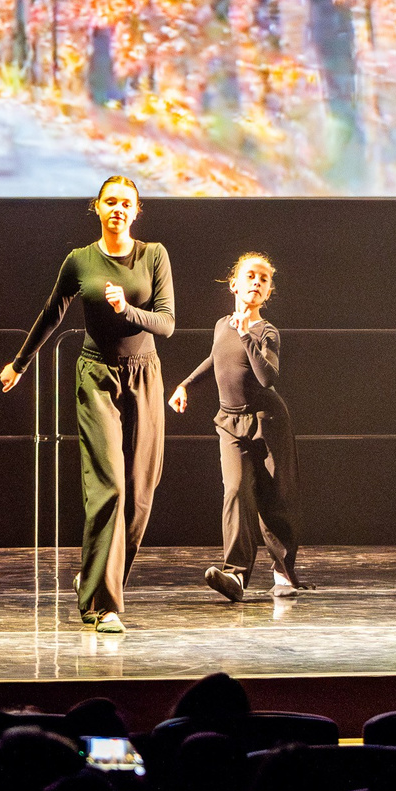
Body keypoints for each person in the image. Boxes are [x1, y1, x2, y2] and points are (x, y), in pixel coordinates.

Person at [0, 176, 175, 634]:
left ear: (136, 210)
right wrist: (20, 363)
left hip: (145, 376)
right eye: (110, 202)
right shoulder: (80, 260)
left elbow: (167, 323)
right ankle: (103, 606)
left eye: (126, 203)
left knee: (140, 493)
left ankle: (95, 578)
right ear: (96, 207)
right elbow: (51, 313)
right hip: (97, 378)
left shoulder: (154, 255)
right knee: (110, 487)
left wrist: (127, 310)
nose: (118, 209)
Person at [170, 252, 309, 601]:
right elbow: (216, 358)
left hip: (267, 423)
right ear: (234, 284)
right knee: (235, 491)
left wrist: (247, 334)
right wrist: (185, 384)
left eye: (264, 279)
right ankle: (235, 575)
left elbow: (267, 377)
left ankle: (283, 573)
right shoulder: (221, 325)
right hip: (230, 423)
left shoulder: (267, 332)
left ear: (268, 291)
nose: (256, 282)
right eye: (250, 276)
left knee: (274, 499)